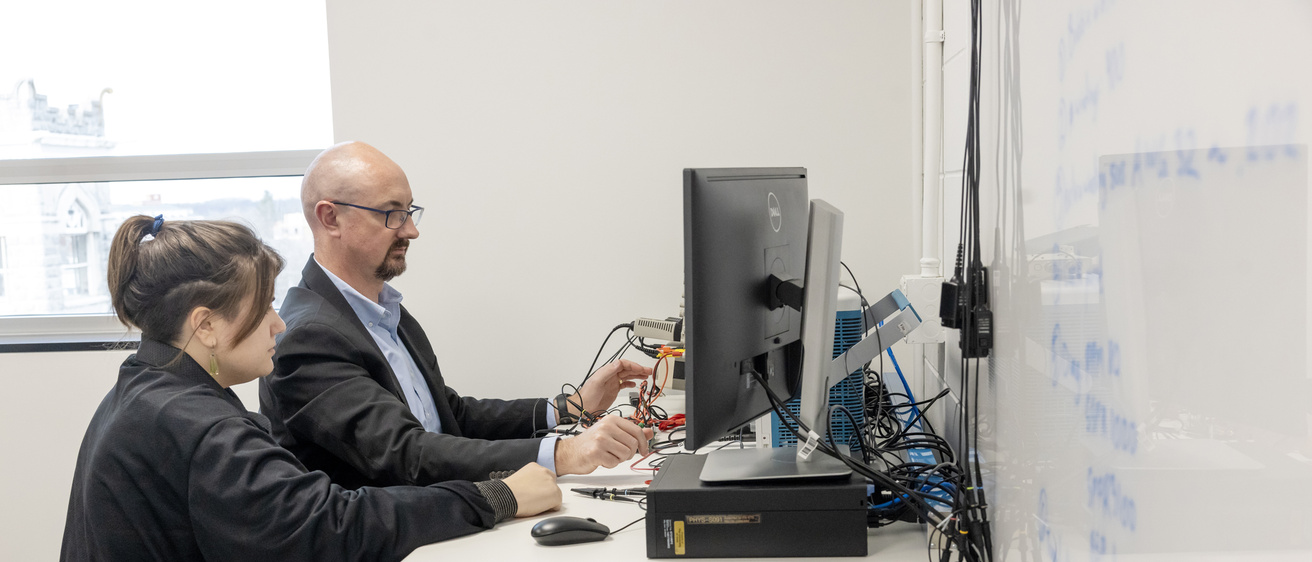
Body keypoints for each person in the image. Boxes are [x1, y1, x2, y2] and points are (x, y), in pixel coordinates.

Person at [62, 215, 561, 561]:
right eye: (263, 309)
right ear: (206, 325)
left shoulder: (142, 388)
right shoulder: (200, 427)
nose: (279, 325)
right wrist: (497, 496)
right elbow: (330, 528)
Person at [259, 141, 654, 489]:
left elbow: (448, 415)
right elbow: (407, 452)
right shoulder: (307, 337)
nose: (411, 230)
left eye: (410, 211)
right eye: (392, 213)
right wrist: (566, 453)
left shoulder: (383, 310)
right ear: (330, 218)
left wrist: (568, 407)